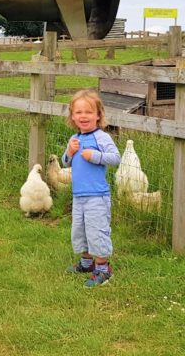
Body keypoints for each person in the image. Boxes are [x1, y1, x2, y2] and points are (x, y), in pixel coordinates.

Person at [62, 89, 121, 286]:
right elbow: (65, 162)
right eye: (78, 112)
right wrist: (69, 152)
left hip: (97, 196)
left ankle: (103, 269)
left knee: (97, 231)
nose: (83, 116)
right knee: (80, 231)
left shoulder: (102, 137)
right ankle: (87, 263)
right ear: (72, 116)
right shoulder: (74, 139)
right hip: (79, 196)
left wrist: (95, 156)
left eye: (88, 112)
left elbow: (115, 158)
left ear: (98, 115)